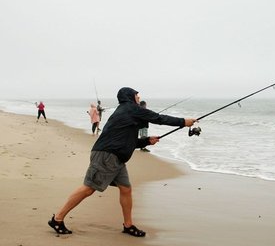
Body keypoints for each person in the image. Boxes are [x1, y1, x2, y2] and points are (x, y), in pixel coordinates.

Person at [48, 87, 197, 237]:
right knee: (89, 188)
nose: (139, 99)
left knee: (126, 189)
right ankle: (58, 219)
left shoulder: (126, 111)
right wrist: (184, 122)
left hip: (116, 158)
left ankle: (128, 225)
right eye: (137, 96)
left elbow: (126, 140)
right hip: (107, 156)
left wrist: (145, 141)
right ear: (131, 97)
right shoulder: (131, 108)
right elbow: (158, 118)